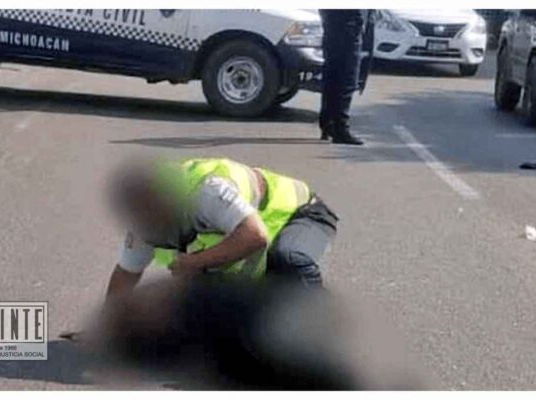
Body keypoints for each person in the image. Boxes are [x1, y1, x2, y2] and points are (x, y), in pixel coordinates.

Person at [104, 157, 339, 301]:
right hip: (250, 229)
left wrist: (194, 262)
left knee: (288, 260)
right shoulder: (143, 223)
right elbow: (127, 273)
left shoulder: (207, 193)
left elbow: (255, 236)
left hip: (304, 213)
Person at [318, 9, 368, 145]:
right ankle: (340, 128)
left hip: (333, 19)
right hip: (348, 21)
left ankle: (328, 123)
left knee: (332, 74)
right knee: (346, 78)